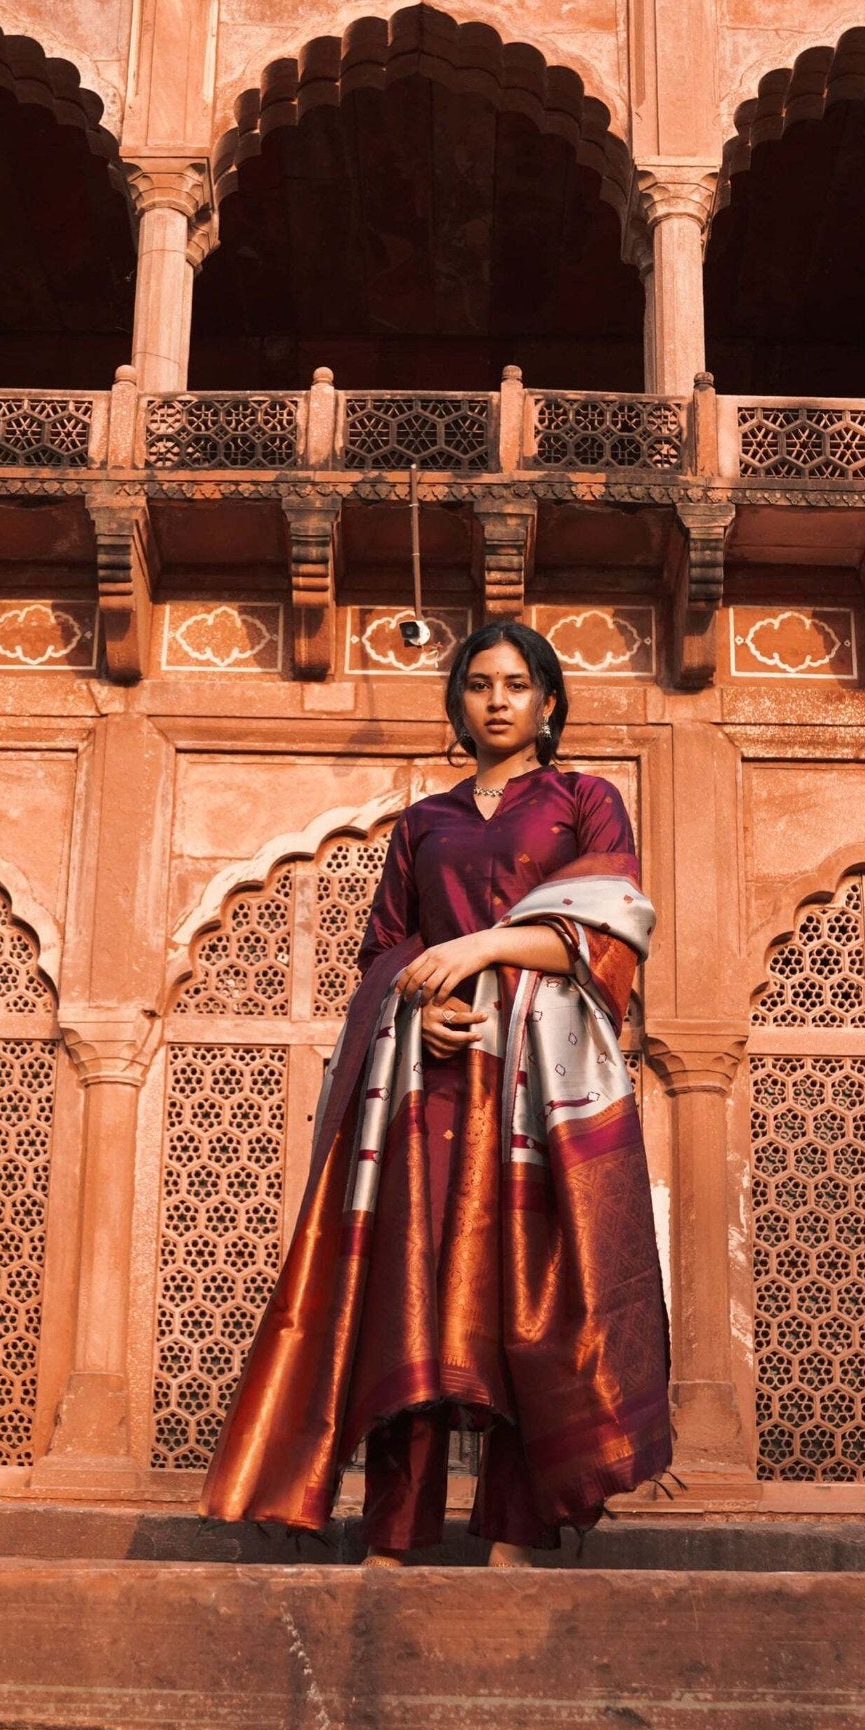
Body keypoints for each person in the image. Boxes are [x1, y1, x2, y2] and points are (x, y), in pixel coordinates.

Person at [201, 619, 671, 1564]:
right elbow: (383, 953)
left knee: (529, 1294)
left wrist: (479, 948)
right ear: (457, 703)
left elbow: (611, 929)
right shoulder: (426, 823)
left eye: (515, 684)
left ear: (546, 703)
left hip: (539, 1094)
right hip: (433, 1087)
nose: (495, 700)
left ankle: (519, 1533)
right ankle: (394, 1535)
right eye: (477, 684)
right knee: (409, 1300)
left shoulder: (584, 799)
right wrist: (422, 1009)